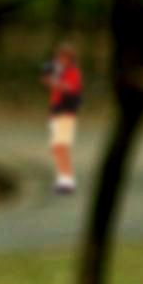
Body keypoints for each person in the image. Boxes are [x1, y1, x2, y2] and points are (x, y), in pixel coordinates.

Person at [42, 42, 82, 194]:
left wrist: (54, 82)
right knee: (57, 147)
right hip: (57, 111)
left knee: (60, 146)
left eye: (62, 57)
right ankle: (63, 179)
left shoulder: (72, 72)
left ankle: (66, 180)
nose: (59, 60)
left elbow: (70, 88)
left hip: (65, 113)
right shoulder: (60, 71)